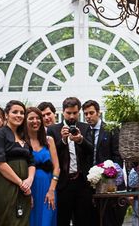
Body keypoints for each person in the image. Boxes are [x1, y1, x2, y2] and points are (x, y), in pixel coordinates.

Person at [47, 97, 93, 226]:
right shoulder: (53, 129)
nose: (72, 116)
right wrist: (62, 140)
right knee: (62, 220)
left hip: (82, 182)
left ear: (79, 112)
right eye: (68, 113)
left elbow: (91, 150)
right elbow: (51, 154)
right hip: (63, 183)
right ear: (63, 112)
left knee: (83, 220)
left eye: (75, 113)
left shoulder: (85, 128)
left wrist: (80, 140)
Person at [0, 100, 35, 226]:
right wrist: (21, 183)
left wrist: (29, 180)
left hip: (25, 186)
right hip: (6, 185)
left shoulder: (24, 135)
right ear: (6, 114)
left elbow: (31, 162)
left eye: (22, 113)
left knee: (23, 220)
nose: (19, 115)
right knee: (7, 220)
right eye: (15, 112)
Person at [82, 99, 124, 226]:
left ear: (98, 113)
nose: (88, 116)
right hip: (89, 180)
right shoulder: (84, 131)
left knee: (109, 217)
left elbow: (117, 154)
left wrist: (112, 175)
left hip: (108, 179)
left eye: (91, 113)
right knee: (92, 216)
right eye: (86, 114)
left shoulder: (110, 129)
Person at [26, 107, 59, 226]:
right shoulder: (22, 141)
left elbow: (56, 167)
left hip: (48, 187)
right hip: (29, 188)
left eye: (38, 118)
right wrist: (26, 193)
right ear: (25, 121)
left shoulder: (49, 140)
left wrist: (51, 190)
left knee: (47, 221)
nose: (35, 121)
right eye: (31, 118)